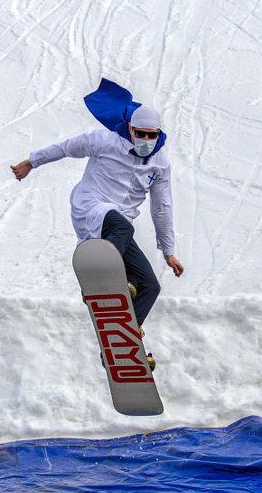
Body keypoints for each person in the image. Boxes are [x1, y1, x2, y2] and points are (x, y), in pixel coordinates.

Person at [10, 79, 184, 329]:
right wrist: (31, 162)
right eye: (140, 134)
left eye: (151, 136)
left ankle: (124, 335)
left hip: (118, 228)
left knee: (149, 285)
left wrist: (168, 251)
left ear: (158, 134)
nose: (145, 140)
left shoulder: (160, 164)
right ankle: (101, 276)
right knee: (123, 226)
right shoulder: (105, 141)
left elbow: (162, 207)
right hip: (91, 207)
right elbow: (65, 148)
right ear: (130, 129)